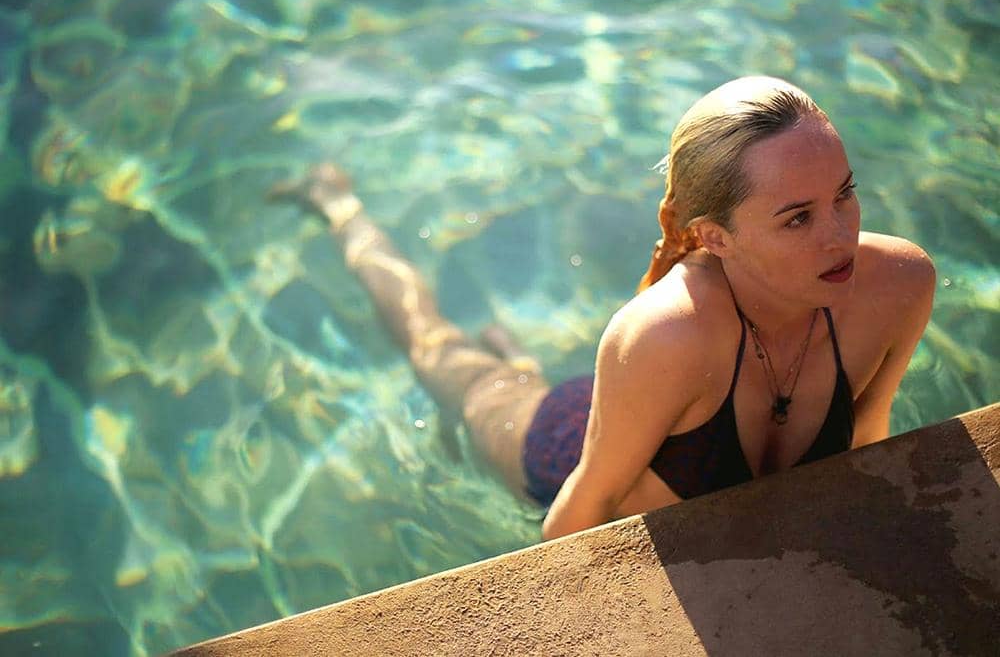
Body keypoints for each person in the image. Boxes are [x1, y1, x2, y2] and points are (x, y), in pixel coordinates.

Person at [271, 76, 935, 542]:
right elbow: (574, 519)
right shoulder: (668, 335)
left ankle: (520, 362)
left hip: (648, 401)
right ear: (715, 238)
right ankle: (337, 202)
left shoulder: (899, 283)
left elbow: (866, 442)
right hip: (565, 448)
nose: (840, 235)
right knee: (435, 351)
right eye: (797, 218)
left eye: (844, 194)